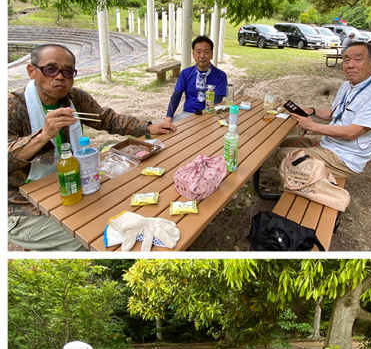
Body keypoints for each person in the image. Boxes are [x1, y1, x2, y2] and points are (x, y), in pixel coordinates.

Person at [8, 43, 177, 251]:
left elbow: (106, 119)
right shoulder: (12, 106)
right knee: (94, 238)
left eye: (67, 71)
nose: (60, 77)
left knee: (126, 206)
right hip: (22, 206)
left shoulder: (74, 98)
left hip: (71, 184)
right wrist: (43, 135)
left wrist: (148, 126)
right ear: (31, 71)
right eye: (50, 69)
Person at [275, 41, 371, 179]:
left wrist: (311, 126)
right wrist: (312, 111)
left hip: (344, 157)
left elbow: (352, 132)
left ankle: (301, 188)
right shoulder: (346, 86)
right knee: (282, 142)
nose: (350, 65)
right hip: (329, 141)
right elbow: (336, 113)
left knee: (283, 155)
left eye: (358, 59)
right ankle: (300, 178)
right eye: (346, 60)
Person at [165, 35, 227, 122]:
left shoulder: (220, 75)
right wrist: (168, 118)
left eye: (206, 52)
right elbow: (176, 96)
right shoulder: (185, 73)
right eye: (198, 52)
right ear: (193, 54)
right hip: (187, 114)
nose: (202, 56)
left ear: (211, 54)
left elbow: (217, 102)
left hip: (209, 116)